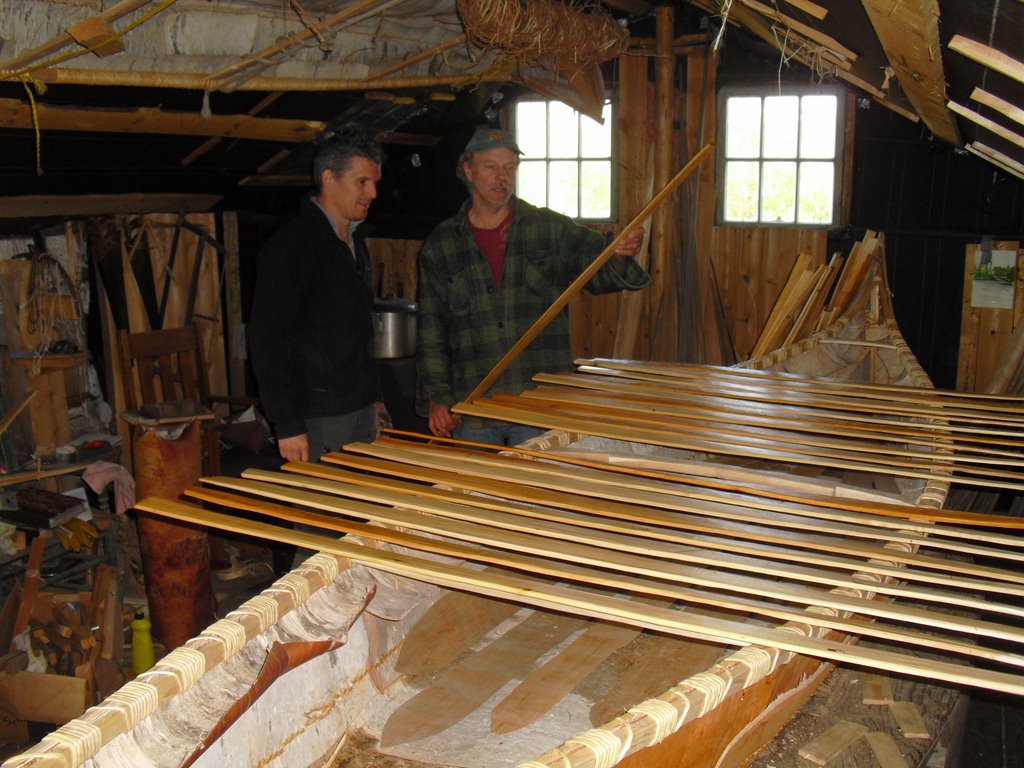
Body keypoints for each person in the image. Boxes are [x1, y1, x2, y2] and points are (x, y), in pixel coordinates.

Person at [416, 127, 649, 447]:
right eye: (491, 167)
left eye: (509, 168)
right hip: (473, 410)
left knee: (538, 495)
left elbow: (599, 268)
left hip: (539, 407)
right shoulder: (441, 244)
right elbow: (431, 328)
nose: (502, 177)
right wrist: (436, 396)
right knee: (478, 495)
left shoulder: (550, 229)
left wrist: (618, 253)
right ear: (468, 171)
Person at [249, 124, 388, 465]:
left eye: (375, 183)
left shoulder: (355, 243)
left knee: (361, 510)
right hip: (317, 416)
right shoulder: (291, 248)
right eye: (362, 182)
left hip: (358, 408)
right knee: (319, 514)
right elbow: (267, 341)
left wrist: (374, 397)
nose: (372, 193)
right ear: (329, 179)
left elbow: (358, 332)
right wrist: (287, 422)